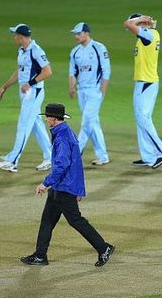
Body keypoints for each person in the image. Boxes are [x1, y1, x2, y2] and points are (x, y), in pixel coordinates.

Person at [20, 103, 114, 267]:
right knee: (48, 220)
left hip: (64, 187)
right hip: (61, 186)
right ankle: (40, 255)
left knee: (75, 220)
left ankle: (103, 247)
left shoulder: (63, 137)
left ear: (54, 119)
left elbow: (63, 165)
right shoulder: (63, 132)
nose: (46, 120)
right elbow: (75, 164)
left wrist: (45, 183)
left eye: (47, 117)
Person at [0, 23, 52, 173]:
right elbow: (20, 71)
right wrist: (4, 86)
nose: (14, 37)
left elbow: (47, 71)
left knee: (23, 125)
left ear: (20, 37)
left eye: (15, 35)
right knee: (35, 125)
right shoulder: (22, 51)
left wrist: (30, 83)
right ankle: (51, 156)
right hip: (26, 93)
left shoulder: (36, 51)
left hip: (34, 92)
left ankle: (13, 161)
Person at [123, 14, 162, 168]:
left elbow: (127, 24)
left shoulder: (149, 35)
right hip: (143, 82)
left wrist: (141, 19)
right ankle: (148, 156)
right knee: (140, 119)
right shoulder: (145, 36)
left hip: (147, 82)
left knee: (143, 118)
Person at [69, 22, 111, 166]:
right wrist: (72, 87)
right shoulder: (75, 51)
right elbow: (73, 72)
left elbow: (106, 70)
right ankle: (103, 156)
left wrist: (102, 91)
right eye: (75, 34)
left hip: (95, 90)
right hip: (82, 91)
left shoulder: (99, 48)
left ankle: (75, 154)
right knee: (93, 123)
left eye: (79, 34)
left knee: (86, 121)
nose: (76, 36)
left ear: (87, 33)